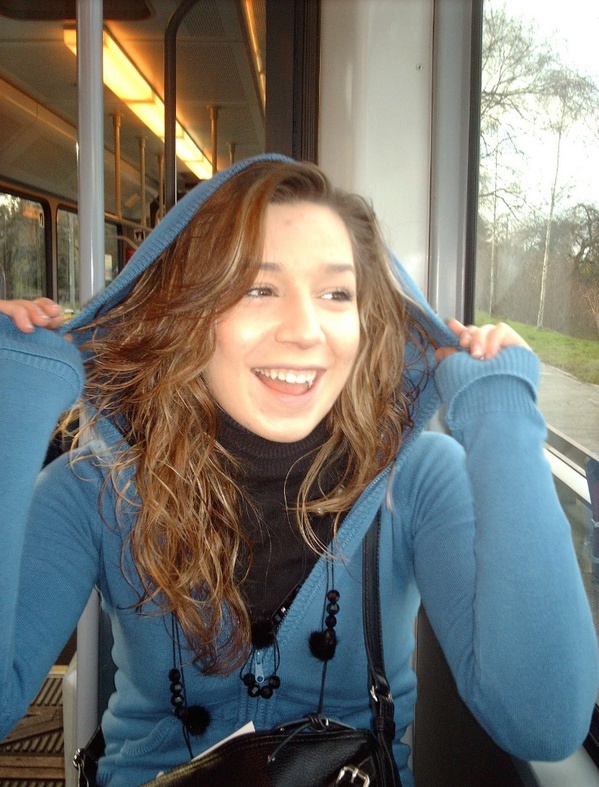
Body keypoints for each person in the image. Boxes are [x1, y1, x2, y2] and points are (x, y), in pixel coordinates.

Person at [0, 155, 597, 787]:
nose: (307, 331)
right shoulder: (95, 489)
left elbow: (543, 723)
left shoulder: (419, 481)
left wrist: (501, 413)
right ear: (185, 314)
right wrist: (14, 398)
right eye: (258, 289)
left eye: (337, 294)